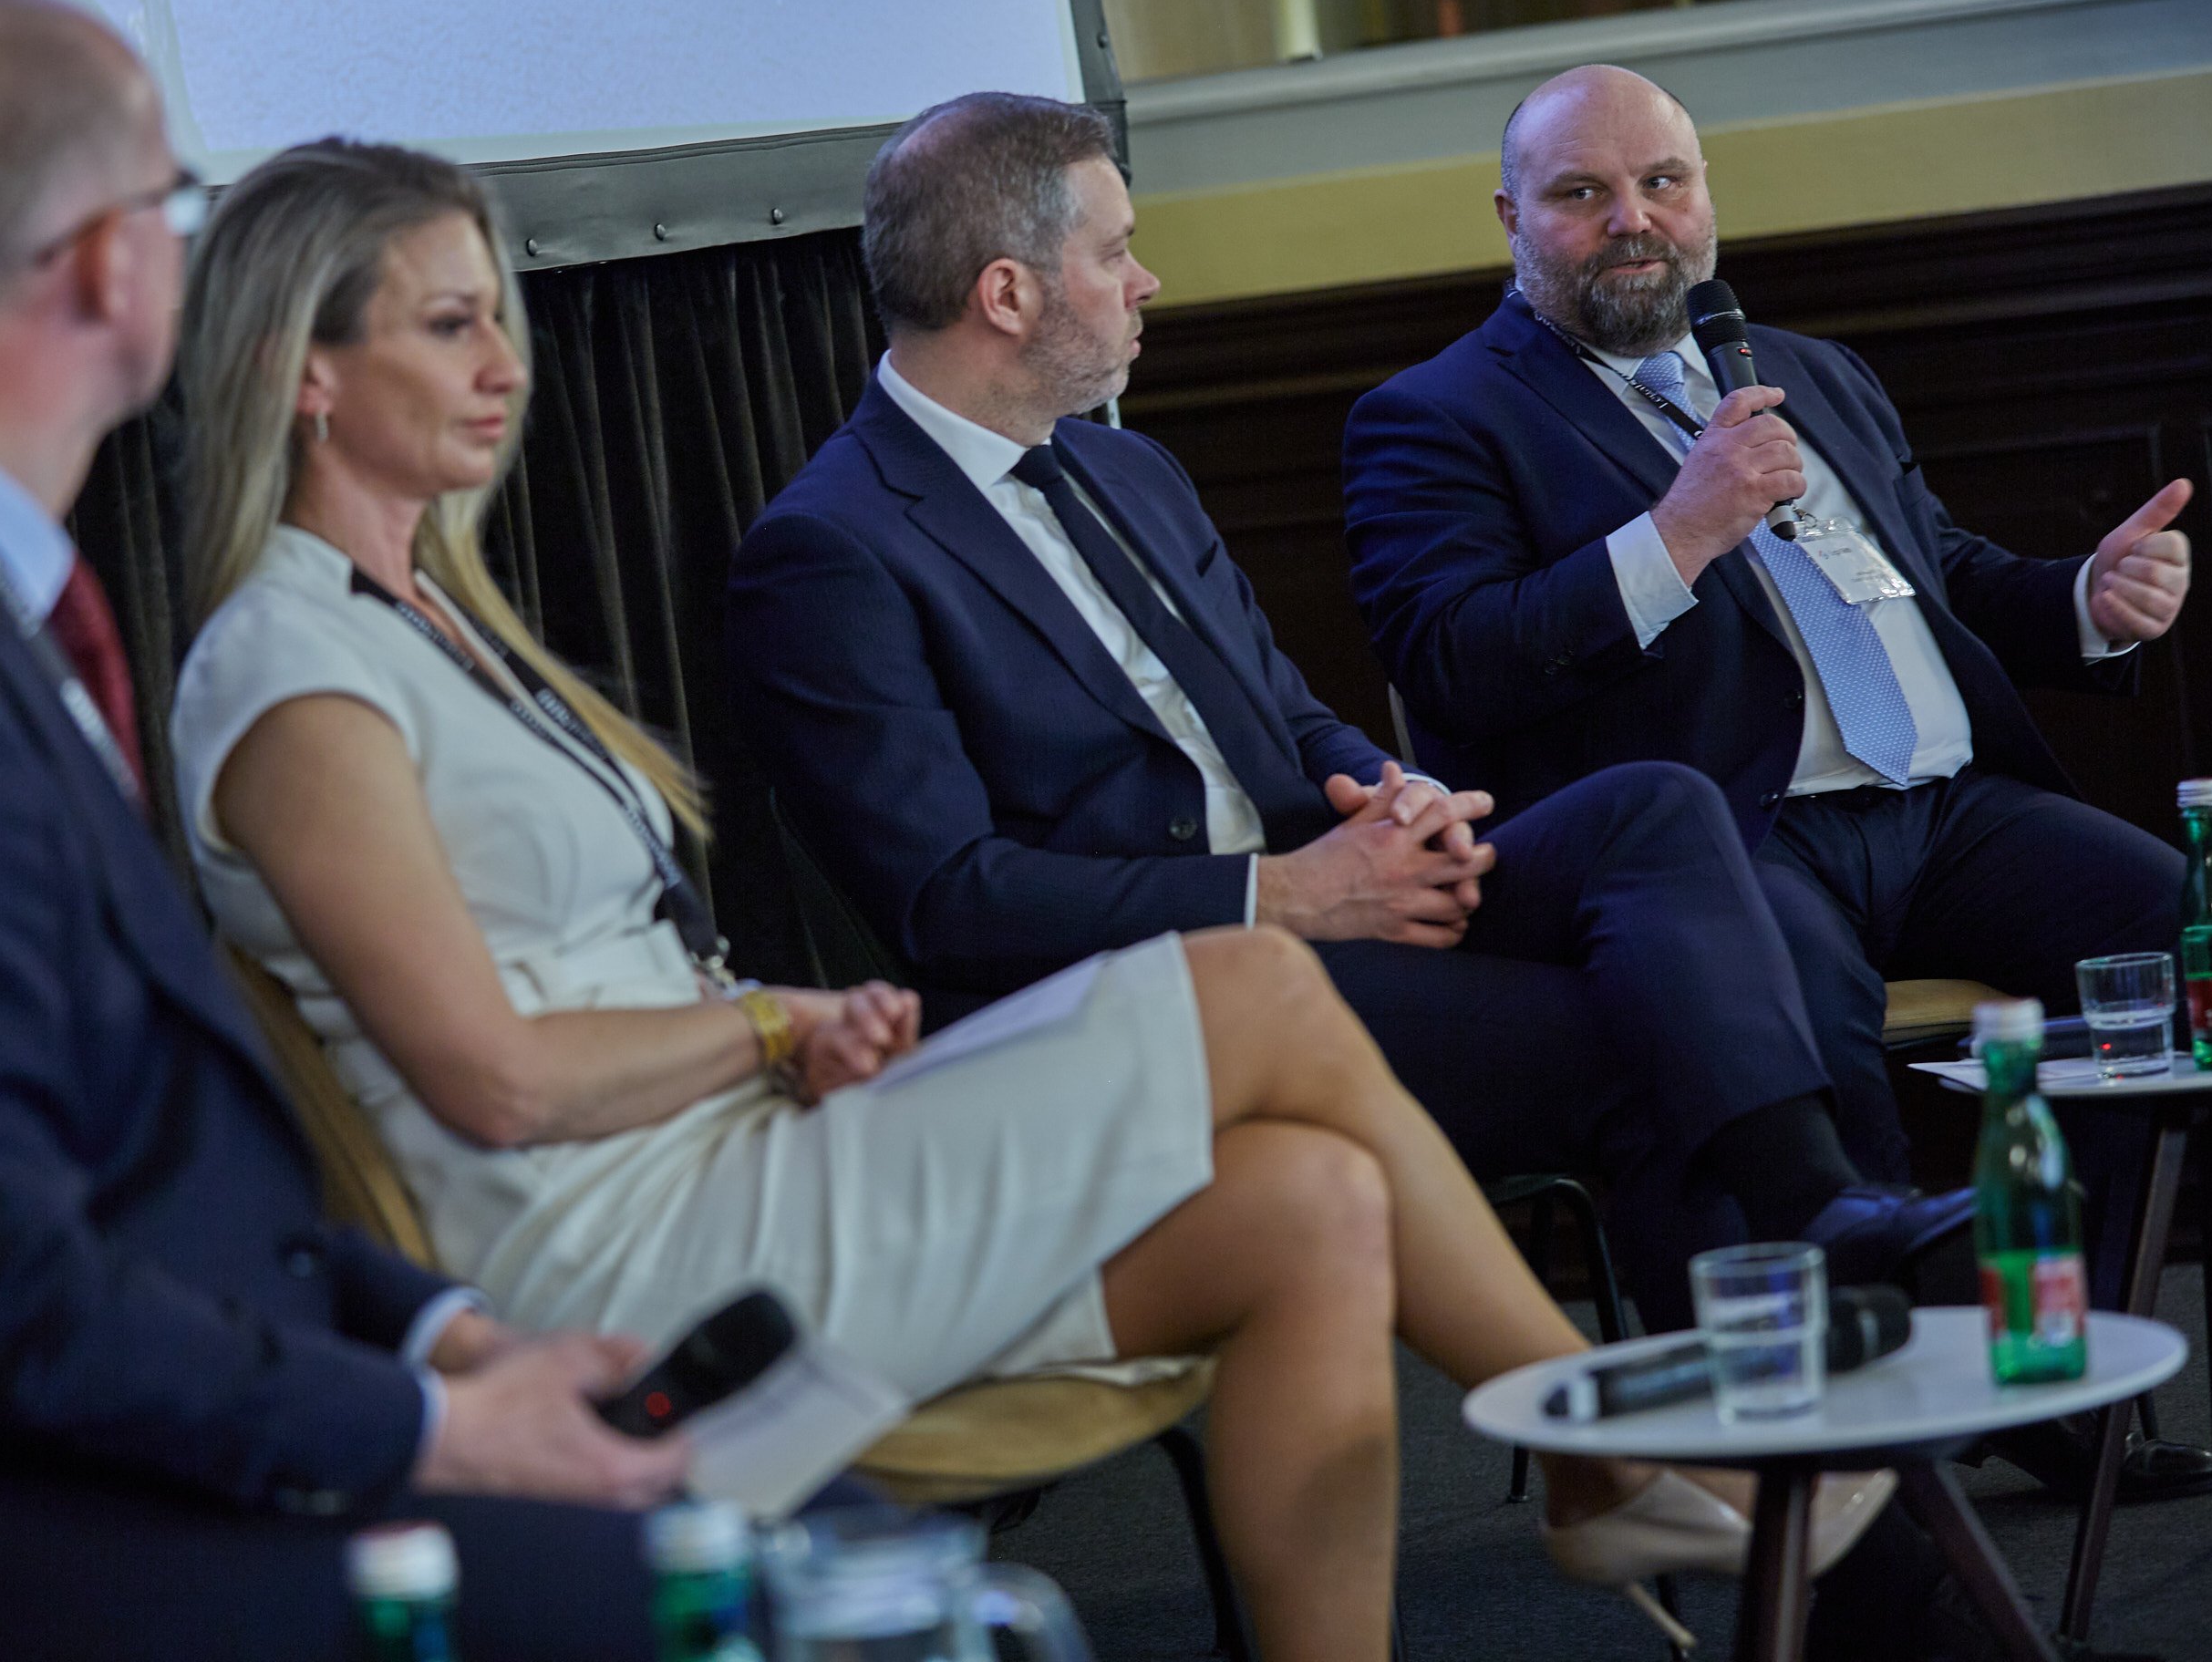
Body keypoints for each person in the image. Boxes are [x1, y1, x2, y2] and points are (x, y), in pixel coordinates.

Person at [163, 135, 1894, 1662]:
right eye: (447, 324)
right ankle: (1621, 1450)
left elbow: (1279, 718)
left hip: (744, 1138)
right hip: (628, 1247)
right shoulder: (297, 675)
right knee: (1307, 986)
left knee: (1312, 1200)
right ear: (300, 372)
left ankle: (1701, 1368)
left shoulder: (437, 626)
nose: (504, 363)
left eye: (498, 315)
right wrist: (770, 1027)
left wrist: (1384, 803)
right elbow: (495, 1077)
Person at [0, 0, 695, 1662]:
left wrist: (443, 1340)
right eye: (178, 208)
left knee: (766, 1511)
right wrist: (437, 1433)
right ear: (112, 264)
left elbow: (145, 1172)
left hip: (135, 1435)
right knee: (781, 1578)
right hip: (1, 1543)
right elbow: (11, 1304)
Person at [719, 90, 1963, 1331]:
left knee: (1654, 809)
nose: (1146, 283)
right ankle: (1766, 1406)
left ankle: (1822, 1212)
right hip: (1144, 997)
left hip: (1328, 902)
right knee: (1642, 1038)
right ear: (1007, 294)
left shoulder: (1124, 465)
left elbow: (1286, 715)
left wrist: (1394, 798)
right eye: (1116, 253)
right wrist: (1288, 897)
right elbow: (951, 904)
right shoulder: (832, 552)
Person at [1338, 62, 2204, 1498]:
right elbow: (1456, 659)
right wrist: (1678, 533)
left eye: (1662, 183)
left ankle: (2055, 1369)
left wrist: (2083, 602)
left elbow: (1936, 572)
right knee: (1794, 1036)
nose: (1634, 220)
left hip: (1945, 813)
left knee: (2184, 946)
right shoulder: (1434, 414)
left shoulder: (1808, 369)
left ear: (1704, 199)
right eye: (1582, 193)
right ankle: (1887, 1460)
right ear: (1510, 218)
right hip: (1726, 838)